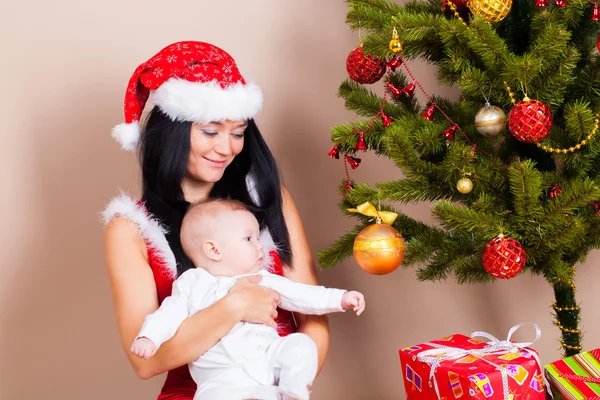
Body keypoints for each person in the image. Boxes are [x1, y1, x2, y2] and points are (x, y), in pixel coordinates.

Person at [102, 41, 332, 399]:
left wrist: (289, 385)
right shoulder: (131, 230)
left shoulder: (270, 200)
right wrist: (234, 305)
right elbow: (145, 362)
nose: (226, 148)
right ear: (172, 132)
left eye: (238, 132)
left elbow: (314, 321)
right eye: (210, 132)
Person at [131, 200, 366, 400]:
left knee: (302, 347)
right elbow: (169, 314)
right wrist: (148, 337)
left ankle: (291, 392)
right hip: (220, 375)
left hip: (267, 358)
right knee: (211, 395)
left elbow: (303, 295)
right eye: (248, 239)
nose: (260, 246)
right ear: (214, 250)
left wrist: (341, 298)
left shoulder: (261, 279)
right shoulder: (192, 284)